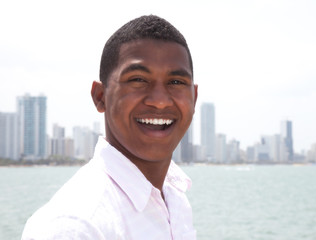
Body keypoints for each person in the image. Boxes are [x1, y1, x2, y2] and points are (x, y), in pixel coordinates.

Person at [22, 15, 198, 239]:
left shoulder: (175, 196)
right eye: (138, 79)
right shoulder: (76, 226)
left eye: (176, 82)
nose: (160, 100)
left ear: (194, 97)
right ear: (100, 96)